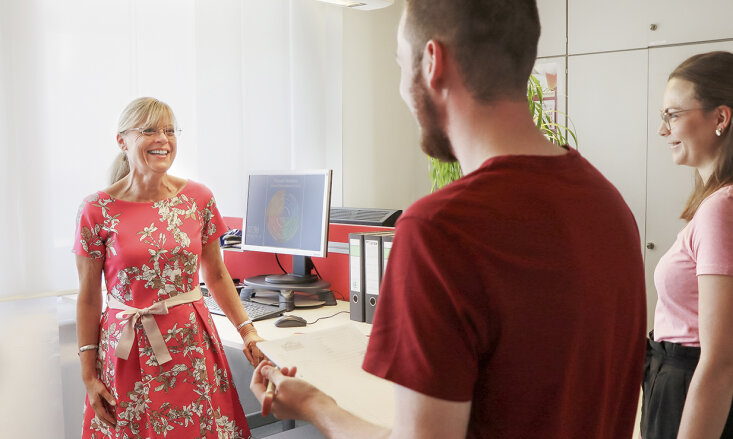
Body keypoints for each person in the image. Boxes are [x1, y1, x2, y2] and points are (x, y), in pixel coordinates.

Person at [250, 1, 646, 438]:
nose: (402, 87)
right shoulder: (609, 205)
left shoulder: (439, 229)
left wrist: (314, 404)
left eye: (402, 65)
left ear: (433, 62)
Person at [74, 97, 263, 438]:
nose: (163, 139)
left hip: (190, 345)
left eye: (169, 130)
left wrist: (247, 332)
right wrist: (88, 373)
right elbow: (89, 297)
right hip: (125, 348)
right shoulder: (95, 210)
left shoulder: (198, 199)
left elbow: (217, 275)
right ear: (122, 141)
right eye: (149, 130)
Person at [642, 51, 733, 439]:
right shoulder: (717, 205)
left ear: (720, 118)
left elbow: (720, 361)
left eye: (673, 115)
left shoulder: (721, 210)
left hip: (690, 386)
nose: (664, 131)